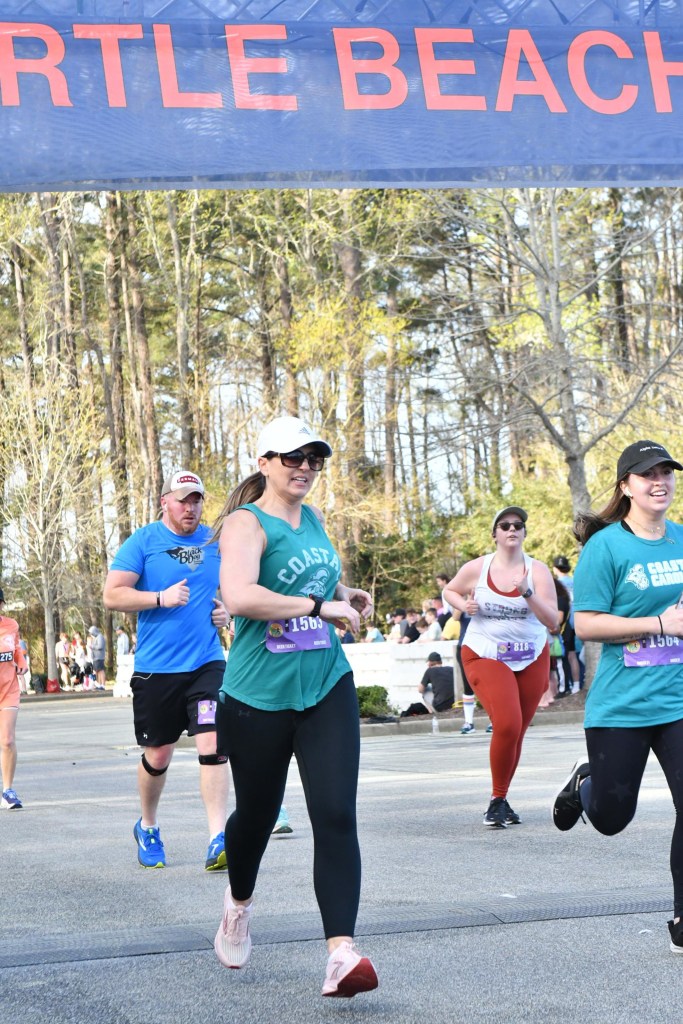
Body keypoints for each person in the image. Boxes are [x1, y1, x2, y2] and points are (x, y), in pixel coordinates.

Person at [211, 414, 378, 998]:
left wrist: (342, 593)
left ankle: (341, 953)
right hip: (257, 696)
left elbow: (317, 580)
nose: (305, 467)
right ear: (264, 464)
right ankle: (238, 904)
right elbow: (240, 595)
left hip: (326, 683)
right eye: (293, 458)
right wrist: (318, 606)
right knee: (257, 816)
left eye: (314, 459)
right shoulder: (244, 523)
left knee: (335, 813)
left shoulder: (314, 519)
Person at [551, 439, 683, 955]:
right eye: (648, 474)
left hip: (677, 700)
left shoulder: (681, 538)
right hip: (622, 706)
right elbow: (585, 623)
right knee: (611, 818)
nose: (660, 482)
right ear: (626, 486)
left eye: (667, 472)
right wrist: (659, 624)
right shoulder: (605, 547)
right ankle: (586, 782)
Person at [103, 469, 230, 872]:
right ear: (164, 502)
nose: (190, 507)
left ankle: (218, 838)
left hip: (206, 662)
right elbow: (112, 595)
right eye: (182, 500)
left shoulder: (215, 541)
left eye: (196, 500)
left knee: (213, 743)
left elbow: (237, 587)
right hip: (157, 669)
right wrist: (159, 597)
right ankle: (148, 826)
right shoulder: (143, 542)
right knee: (158, 754)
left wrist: (228, 610)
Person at [444, 506, 558, 827]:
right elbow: (449, 590)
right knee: (507, 724)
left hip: (531, 655)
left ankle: (502, 798)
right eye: (504, 525)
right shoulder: (477, 568)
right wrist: (463, 604)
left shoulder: (538, 571)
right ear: (494, 534)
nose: (511, 530)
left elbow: (552, 621)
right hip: (485, 653)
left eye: (518, 525)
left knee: (517, 731)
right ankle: (496, 801)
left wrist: (527, 592)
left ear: (524, 533)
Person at [0, 588, 29, 809]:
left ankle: (8, 791)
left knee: (7, 740)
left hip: (9, 688)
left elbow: (17, 648)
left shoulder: (11, 625)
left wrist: (21, 661)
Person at [552, 555, 582, 694]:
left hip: (565, 624)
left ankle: (568, 685)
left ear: (555, 569)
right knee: (575, 655)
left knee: (566, 657)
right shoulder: (575, 581)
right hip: (580, 620)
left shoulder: (556, 585)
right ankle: (577, 683)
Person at [87, 626, 107, 690]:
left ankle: (103, 684)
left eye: (92, 632)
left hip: (99, 657)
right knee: (97, 671)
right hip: (95, 657)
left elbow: (100, 646)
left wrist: (92, 646)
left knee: (101, 671)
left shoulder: (100, 637)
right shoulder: (96, 637)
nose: (91, 634)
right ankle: (99, 684)